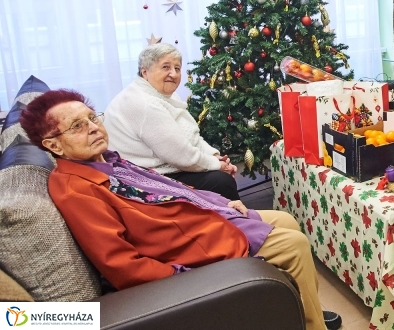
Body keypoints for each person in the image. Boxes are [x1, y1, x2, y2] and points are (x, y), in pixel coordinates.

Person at [19, 89, 342, 330]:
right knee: (294, 245)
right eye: (77, 125)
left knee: (284, 219)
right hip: (185, 252)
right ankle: (312, 326)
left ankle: (299, 306)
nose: (92, 127)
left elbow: (172, 190)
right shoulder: (75, 189)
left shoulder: (107, 162)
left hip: (199, 225)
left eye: (92, 117)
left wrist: (221, 203)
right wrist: (182, 278)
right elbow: (121, 266)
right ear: (53, 145)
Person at [104, 43, 240, 200]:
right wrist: (218, 165)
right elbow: (182, 155)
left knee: (219, 176)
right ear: (144, 72)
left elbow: (192, 136)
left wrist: (215, 156)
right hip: (144, 179)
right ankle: (239, 222)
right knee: (221, 181)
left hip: (166, 166)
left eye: (177, 68)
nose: (174, 74)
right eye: (166, 67)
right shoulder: (145, 104)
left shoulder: (163, 95)